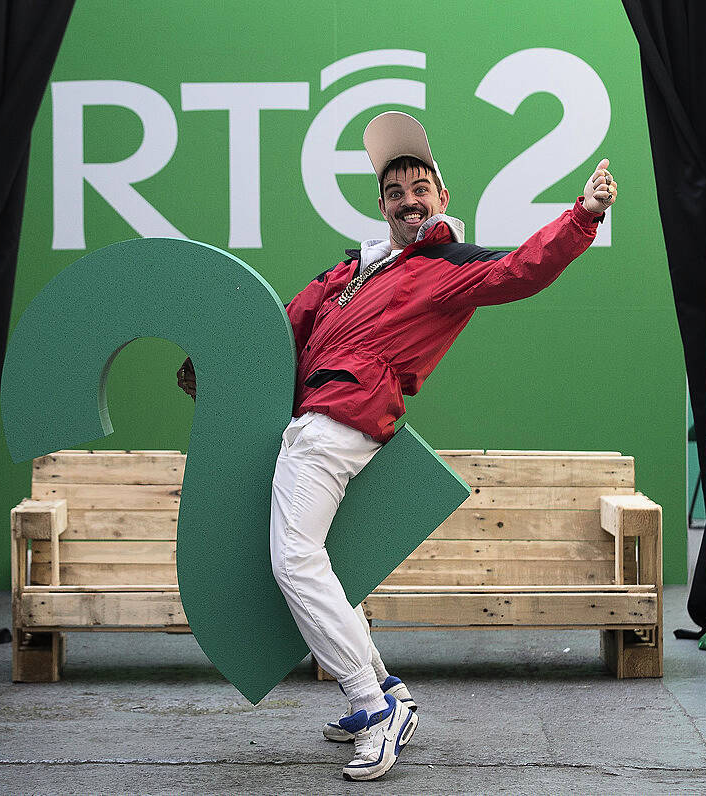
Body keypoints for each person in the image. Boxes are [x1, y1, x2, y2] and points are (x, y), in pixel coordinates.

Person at [177, 111, 617, 781]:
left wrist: (582, 216)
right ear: (381, 205)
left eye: (420, 188)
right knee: (324, 565)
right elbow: (284, 328)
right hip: (311, 418)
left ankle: (373, 711)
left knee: (294, 561)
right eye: (394, 191)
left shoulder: (451, 266)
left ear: (443, 197)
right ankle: (387, 693)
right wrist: (217, 369)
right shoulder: (353, 267)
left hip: (340, 421)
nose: (408, 200)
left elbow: (526, 268)